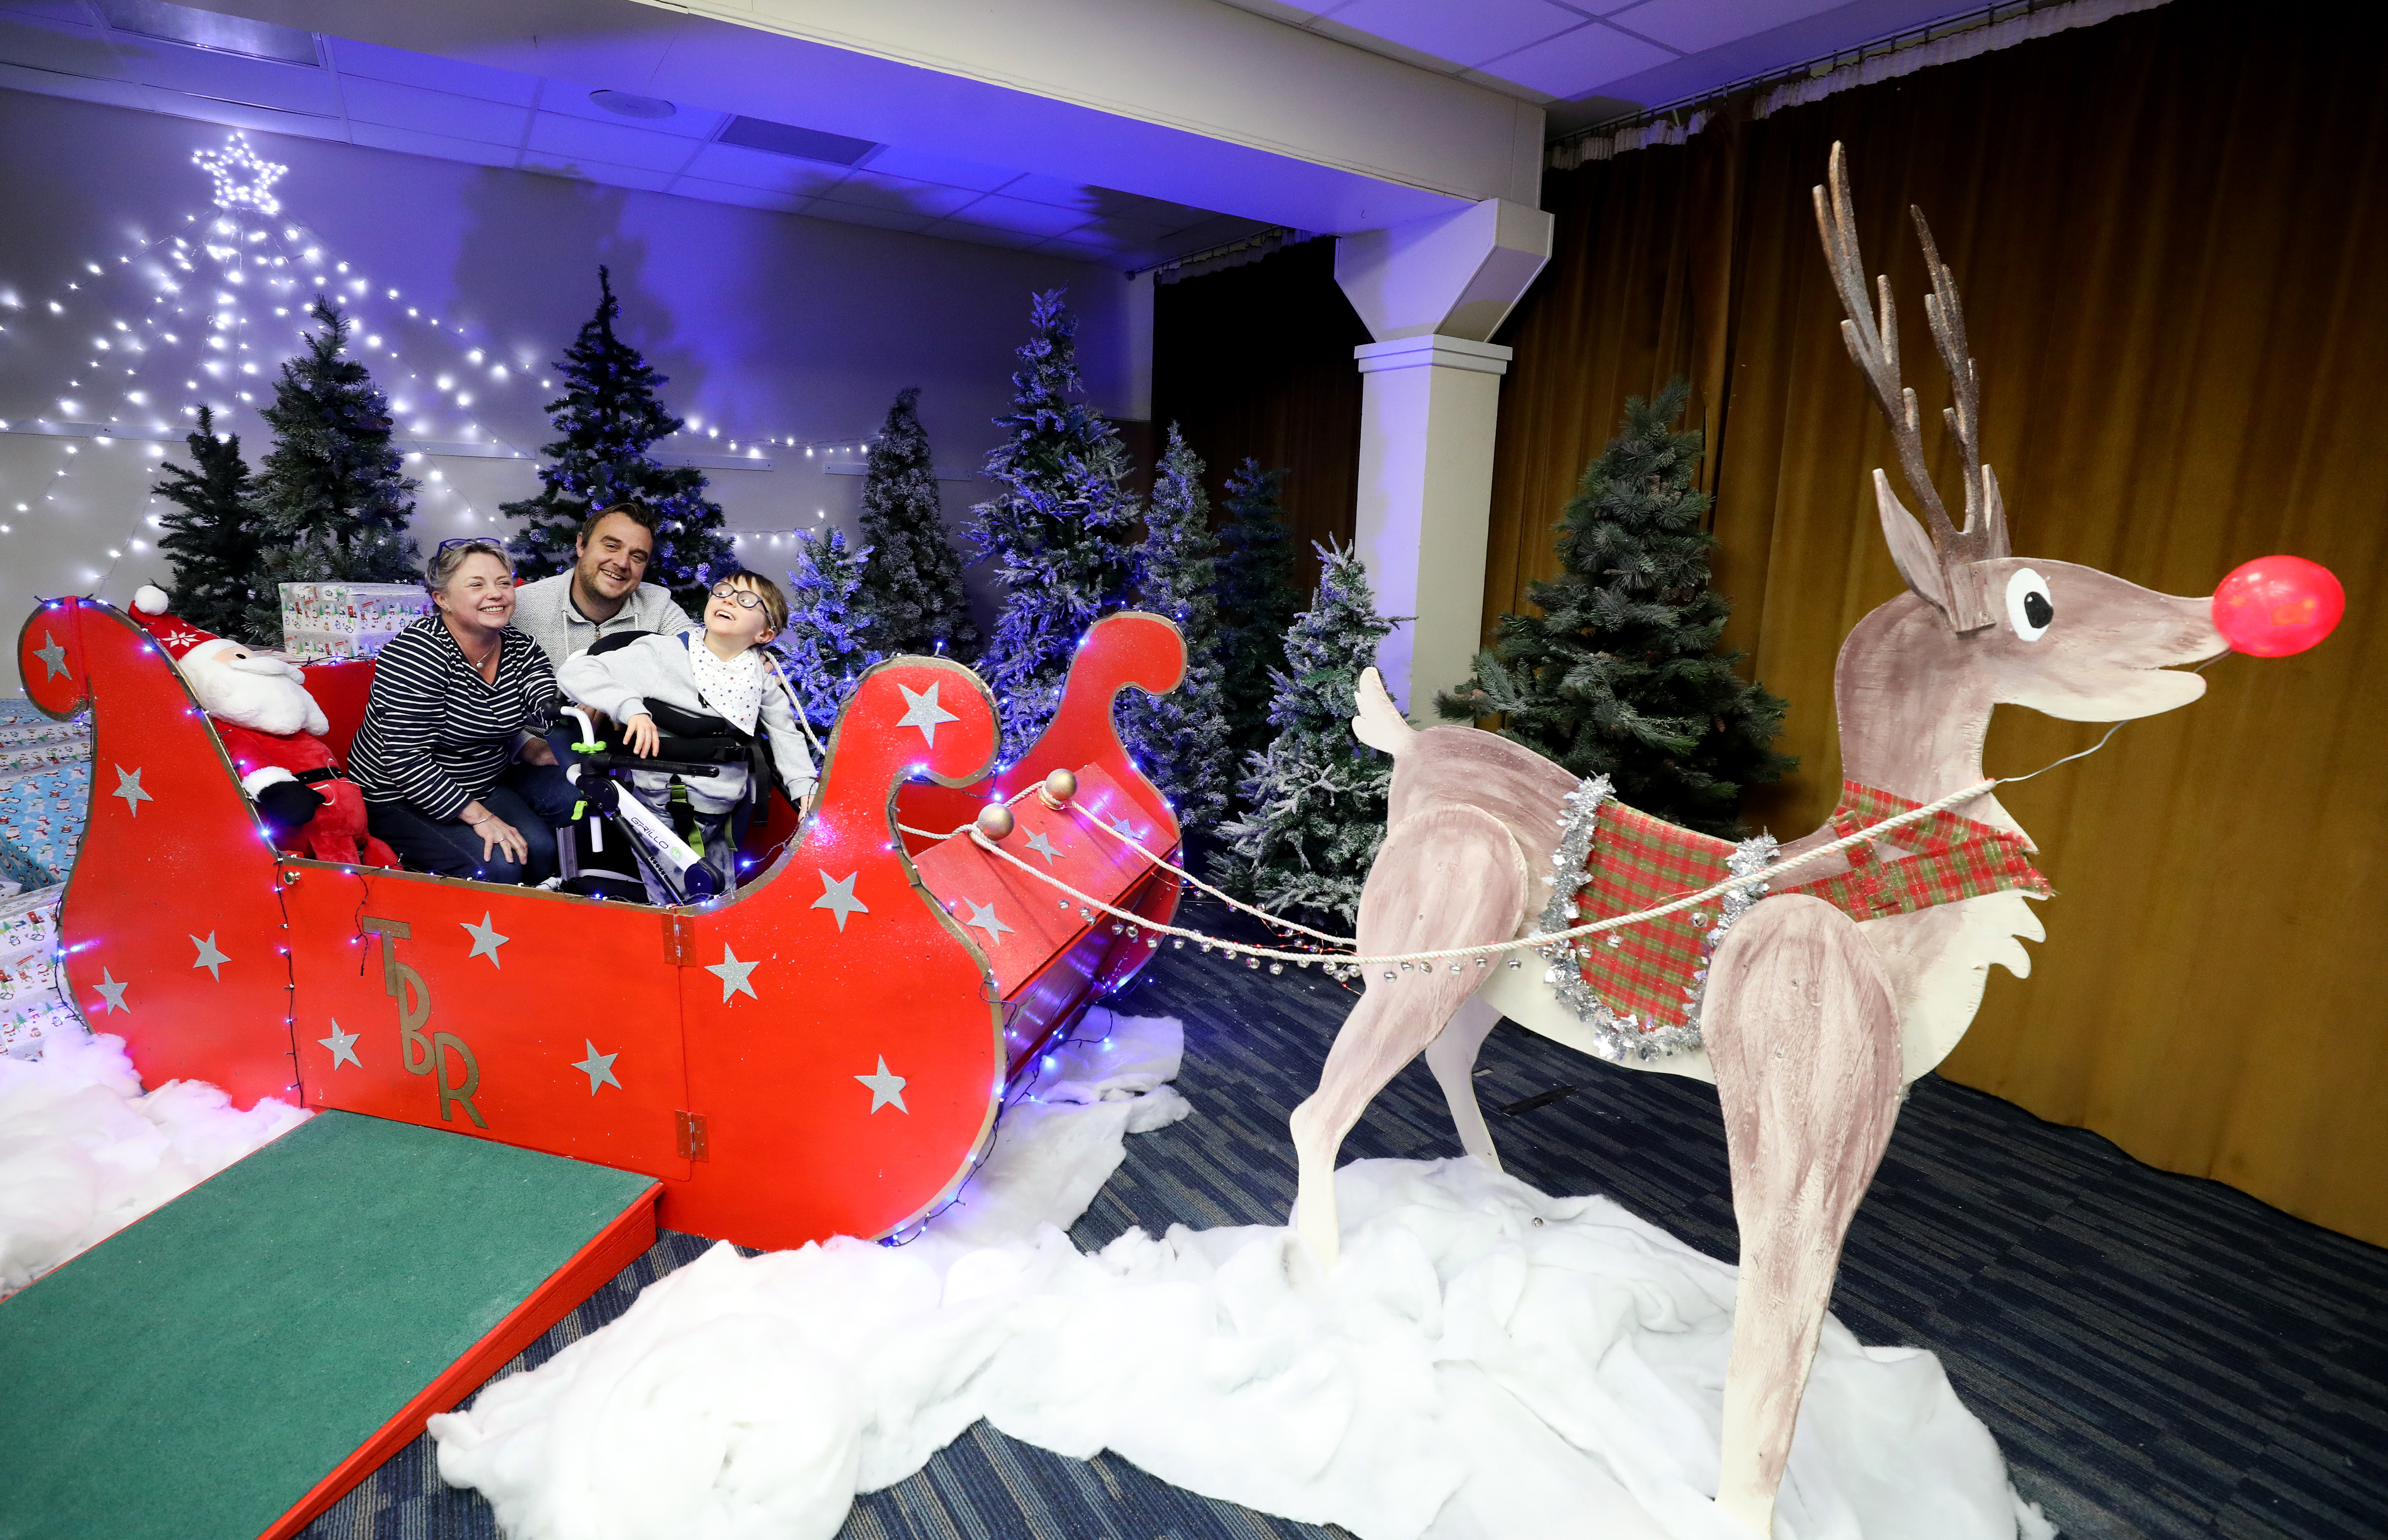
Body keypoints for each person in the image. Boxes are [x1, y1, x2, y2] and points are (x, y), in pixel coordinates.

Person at [558, 570, 818, 901]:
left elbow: (785, 734)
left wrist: (804, 790)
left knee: (721, 901)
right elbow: (576, 671)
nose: (728, 599)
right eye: (723, 590)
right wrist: (630, 707)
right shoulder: (663, 654)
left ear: (765, 633)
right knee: (677, 905)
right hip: (664, 806)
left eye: (747, 600)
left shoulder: (759, 677)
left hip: (724, 808)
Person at [350, 540, 579, 884]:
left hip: (480, 782)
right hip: (398, 793)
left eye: (503, 583)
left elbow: (547, 704)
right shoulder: (417, 652)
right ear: (442, 599)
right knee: (500, 866)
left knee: (541, 852)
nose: (497, 594)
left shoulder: (521, 648)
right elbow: (405, 759)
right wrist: (480, 818)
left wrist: (582, 710)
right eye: (477, 585)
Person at [512, 503, 696, 670]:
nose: (623, 563)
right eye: (611, 546)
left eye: (637, 557)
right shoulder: (520, 607)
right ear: (581, 545)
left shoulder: (659, 606)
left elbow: (704, 655)